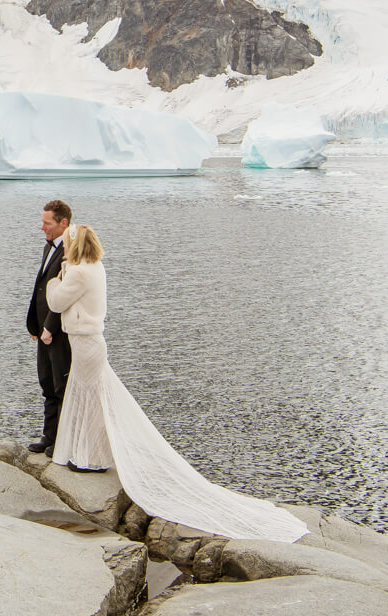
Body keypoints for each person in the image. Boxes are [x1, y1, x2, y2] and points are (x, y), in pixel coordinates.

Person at [47, 225, 308, 543]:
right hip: (89, 343)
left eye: (68, 243)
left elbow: (56, 302)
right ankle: (90, 455)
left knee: (90, 399)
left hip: (86, 343)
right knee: (92, 397)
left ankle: (92, 459)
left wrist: (54, 280)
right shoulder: (94, 267)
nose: (65, 248)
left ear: (75, 245)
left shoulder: (77, 273)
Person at [27, 200, 72, 455]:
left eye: (47, 223)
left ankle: (62, 442)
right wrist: (35, 324)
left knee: (60, 386)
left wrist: (50, 328)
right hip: (43, 330)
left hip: (58, 332)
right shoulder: (50, 246)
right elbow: (41, 288)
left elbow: (64, 296)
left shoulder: (70, 250)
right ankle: (49, 435)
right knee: (46, 382)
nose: (42, 227)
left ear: (63, 223)